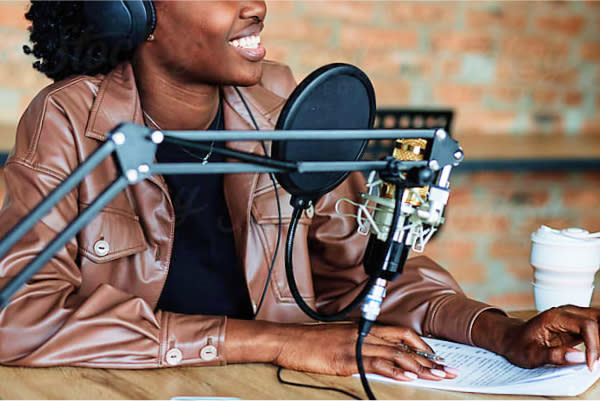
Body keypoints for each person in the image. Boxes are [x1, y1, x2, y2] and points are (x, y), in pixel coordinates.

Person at [0, 0, 599, 382]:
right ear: (132, 13)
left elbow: (361, 275)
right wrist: (277, 343)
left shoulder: (283, 111)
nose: (255, 6)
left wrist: (499, 331)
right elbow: (16, 313)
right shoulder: (68, 122)